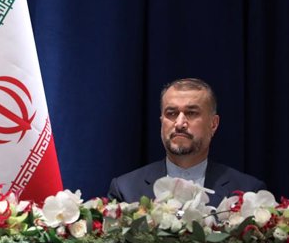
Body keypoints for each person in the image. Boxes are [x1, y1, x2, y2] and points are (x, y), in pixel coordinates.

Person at [108, 78, 266, 207]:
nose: (179, 123)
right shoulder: (125, 190)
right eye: (171, 113)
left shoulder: (248, 192)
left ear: (213, 124)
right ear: (162, 121)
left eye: (191, 113)